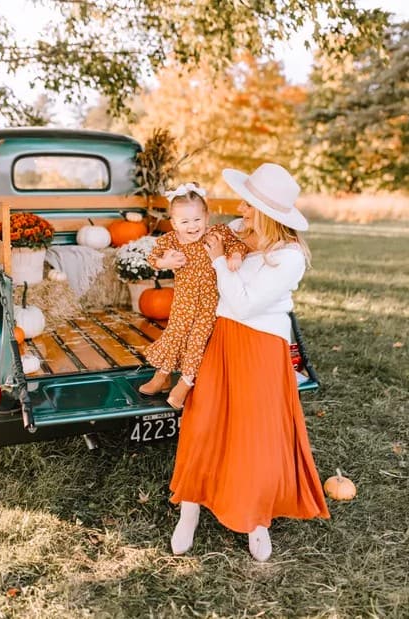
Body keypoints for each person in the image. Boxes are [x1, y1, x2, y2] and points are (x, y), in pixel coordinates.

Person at [168, 163, 330, 562]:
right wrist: (175, 255)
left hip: (260, 347)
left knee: (253, 434)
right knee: (203, 421)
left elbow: (242, 302)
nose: (239, 208)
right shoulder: (240, 232)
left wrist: (221, 261)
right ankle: (189, 510)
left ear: (265, 212)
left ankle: (256, 521)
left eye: (248, 203)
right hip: (221, 337)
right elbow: (194, 240)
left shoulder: (289, 257)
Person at [138, 182, 248, 409]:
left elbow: (238, 244)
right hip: (183, 302)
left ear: (207, 218)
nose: (192, 226)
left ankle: (185, 382)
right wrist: (165, 262)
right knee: (174, 335)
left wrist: (236, 255)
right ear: (174, 223)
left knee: (197, 341)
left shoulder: (217, 234)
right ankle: (163, 374)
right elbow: (153, 258)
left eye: (197, 220)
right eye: (184, 222)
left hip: (210, 304)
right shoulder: (171, 240)